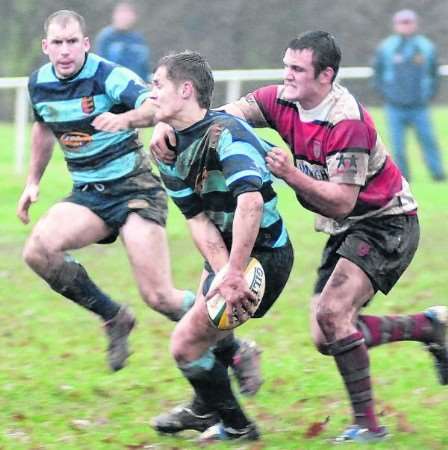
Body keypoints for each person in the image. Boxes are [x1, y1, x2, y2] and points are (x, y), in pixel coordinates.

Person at [150, 32, 448, 444]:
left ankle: (369, 426)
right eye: (285, 65)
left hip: (386, 221)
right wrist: (170, 125)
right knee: (326, 335)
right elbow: (218, 117)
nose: (286, 75)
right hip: (347, 228)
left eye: (297, 69)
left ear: (326, 75)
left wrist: (291, 174)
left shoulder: (347, 122)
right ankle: (429, 327)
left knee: (333, 315)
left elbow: (343, 202)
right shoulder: (280, 99)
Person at [19, 10, 263, 402]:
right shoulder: (40, 84)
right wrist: (33, 182)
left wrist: (125, 120)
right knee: (38, 252)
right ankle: (114, 317)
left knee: (160, 296)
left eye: (72, 43)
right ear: (46, 47)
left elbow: (155, 107)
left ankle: (237, 351)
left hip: (135, 189)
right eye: (57, 44)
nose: (65, 51)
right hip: (90, 194)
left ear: (85, 44)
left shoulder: (107, 75)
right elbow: (44, 127)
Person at [146, 50, 293, 443]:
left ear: (186, 90)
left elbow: (251, 202)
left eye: (158, 85)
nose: (151, 94)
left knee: (185, 344)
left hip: (265, 255)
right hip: (226, 255)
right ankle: (210, 406)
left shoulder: (226, 133)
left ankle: (236, 425)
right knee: (199, 338)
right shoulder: (166, 151)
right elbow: (198, 220)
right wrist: (223, 271)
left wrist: (234, 272)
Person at [372, 9, 446, 182]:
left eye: (408, 22)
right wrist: (386, 94)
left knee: (428, 141)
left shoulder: (426, 46)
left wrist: (428, 95)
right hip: (394, 107)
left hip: (419, 106)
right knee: (397, 146)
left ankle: (438, 175)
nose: (405, 26)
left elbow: (434, 73)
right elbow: (377, 74)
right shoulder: (386, 47)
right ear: (396, 25)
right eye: (402, 22)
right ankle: (403, 177)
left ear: (415, 24)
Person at [95, 2, 150, 81]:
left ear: (134, 17)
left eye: (127, 14)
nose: (124, 18)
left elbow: (144, 67)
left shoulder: (138, 40)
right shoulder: (106, 37)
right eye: (122, 13)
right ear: (114, 15)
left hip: (136, 86)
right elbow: (101, 67)